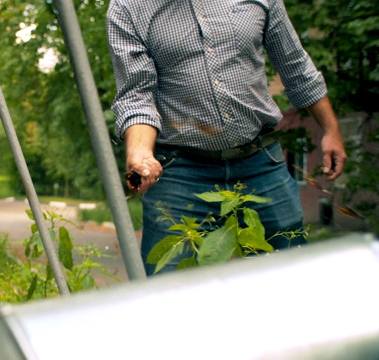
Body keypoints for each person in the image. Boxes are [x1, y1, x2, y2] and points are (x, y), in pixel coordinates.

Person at [106, 0, 347, 275]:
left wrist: (331, 130)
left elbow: (295, 65)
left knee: (291, 273)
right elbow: (136, 95)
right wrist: (139, 152)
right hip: (179, 171)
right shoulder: (128, 7)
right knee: (169, 291)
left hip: (261, 164)